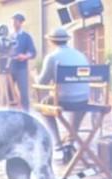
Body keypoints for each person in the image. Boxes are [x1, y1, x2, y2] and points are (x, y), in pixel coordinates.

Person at [36, 28, 90, 163]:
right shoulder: (80, 55)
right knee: (78, 105)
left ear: (52, 41)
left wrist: (34, 76)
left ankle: (58, 145)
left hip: (64, 100)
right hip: (83, 100)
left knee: (43, 105)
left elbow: (42, 81)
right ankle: (70, 142)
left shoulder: (52, 57)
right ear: (66, 40)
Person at [8, 12, 36, 111]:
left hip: (21, 69)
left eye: (16, 21)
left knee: (23, 93)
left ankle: (26, 113)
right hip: (9, 68)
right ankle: (11, 113)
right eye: (13, 21)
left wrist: (24, 56)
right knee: (9, 93)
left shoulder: (26, 36)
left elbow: (33, 52)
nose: (14, 23)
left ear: (20, 23)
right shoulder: (9, 36)